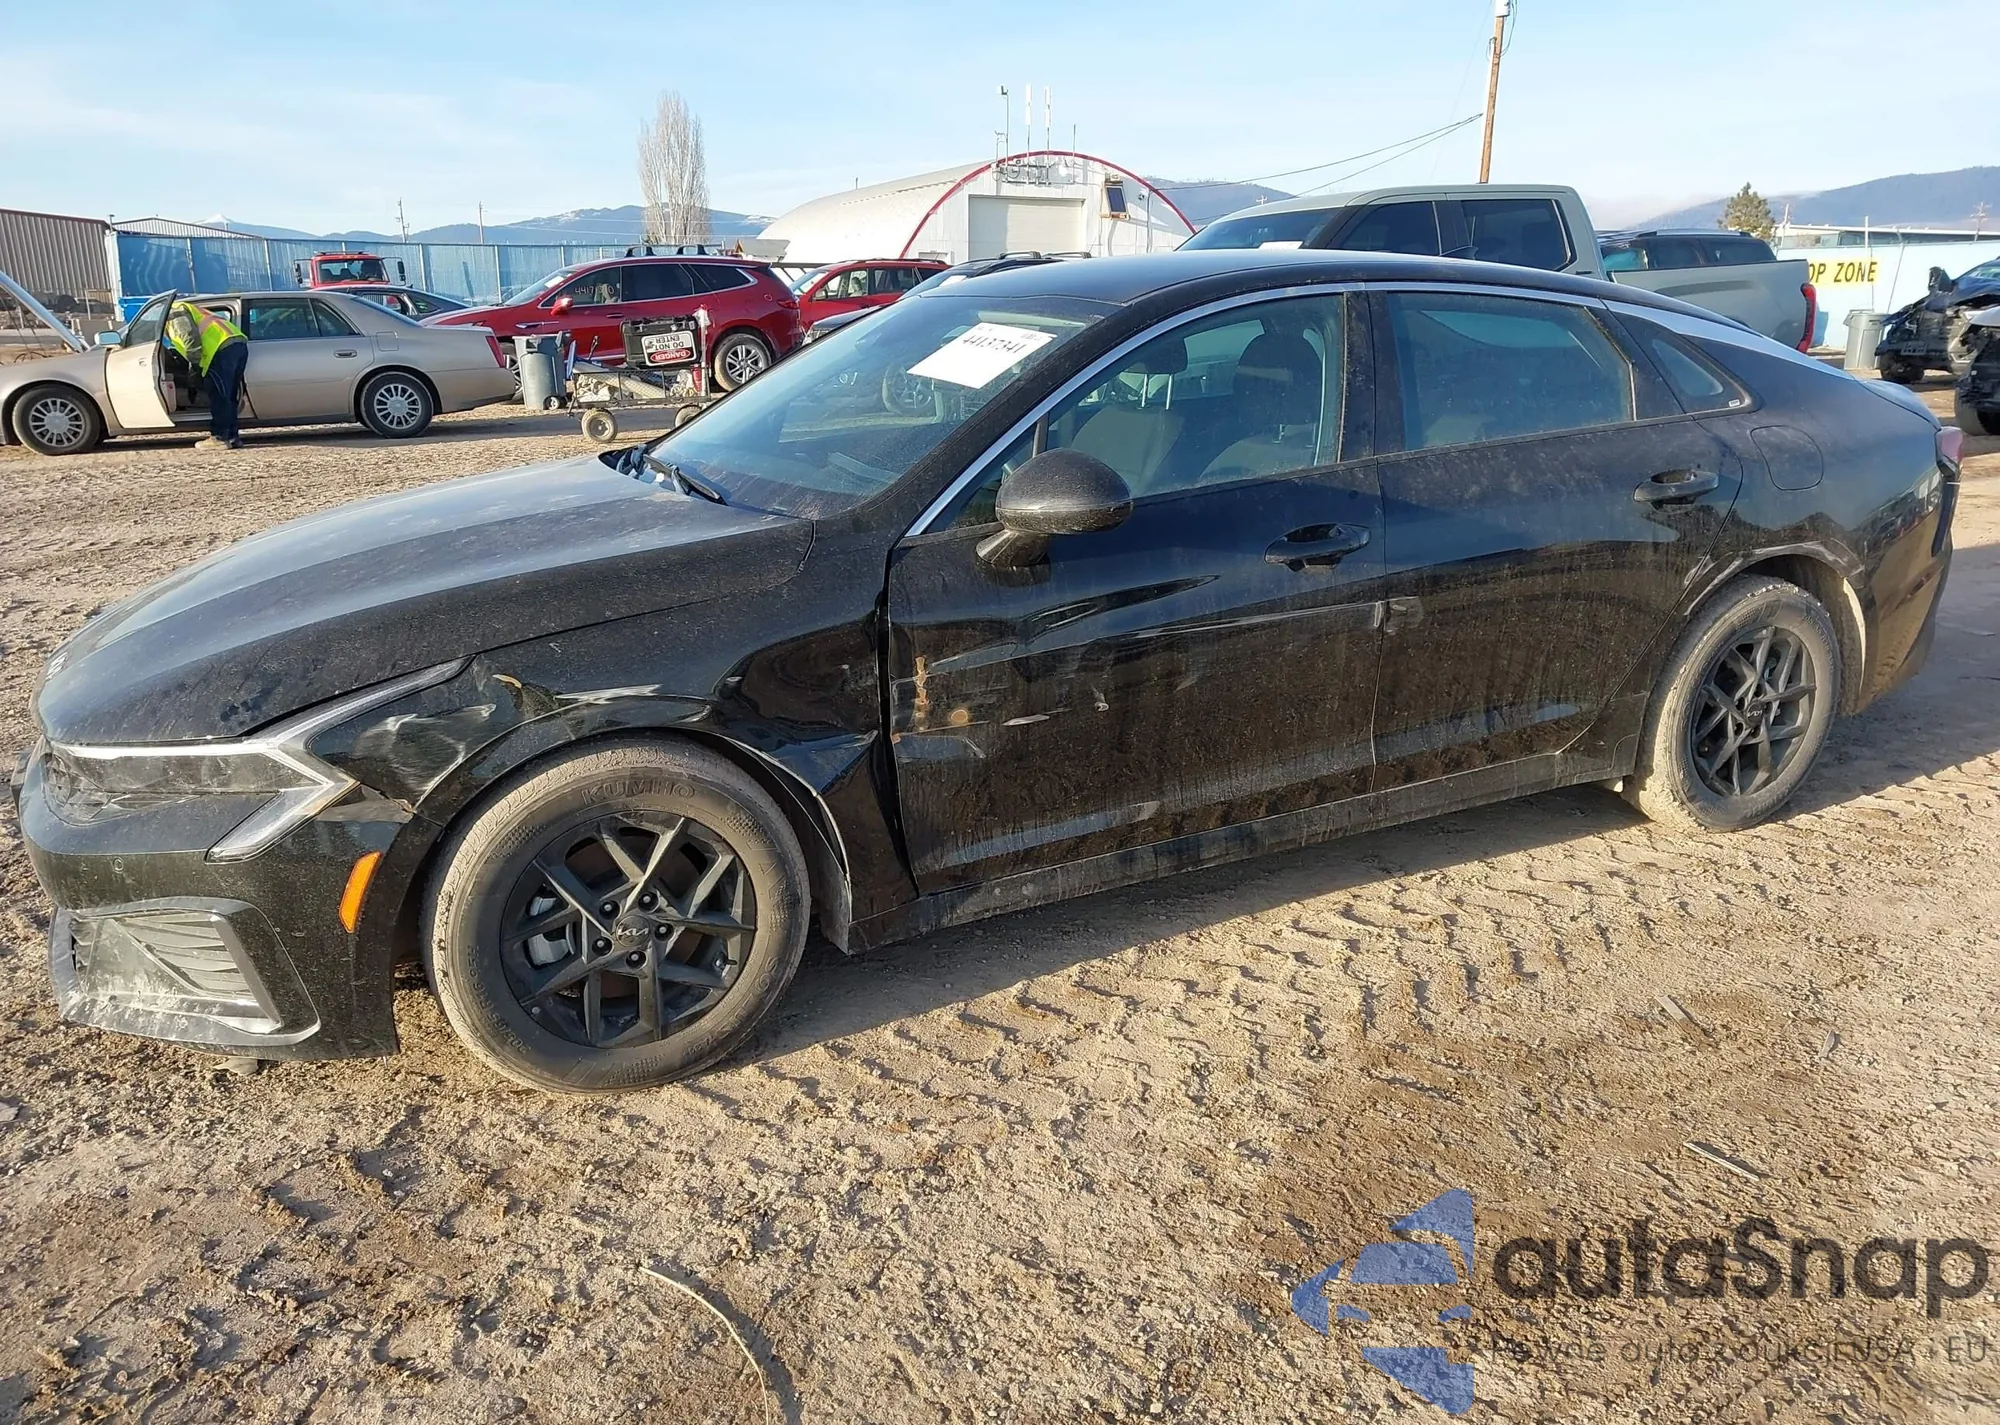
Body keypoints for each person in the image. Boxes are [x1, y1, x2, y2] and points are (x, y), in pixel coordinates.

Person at [164, 299, 249, 450]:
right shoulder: (187, 308)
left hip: (219, 349)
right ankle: (232, 436)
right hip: (236, 345)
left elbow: (190, 339)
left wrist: (194, 366)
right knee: (229, 396)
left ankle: (220, 437)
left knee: (219, 395)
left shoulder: (174, 313)